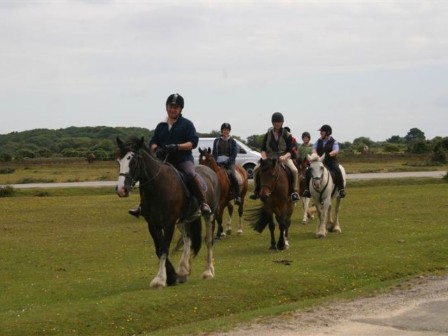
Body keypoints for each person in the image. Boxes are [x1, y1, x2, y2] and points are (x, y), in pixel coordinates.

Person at [128, 93, 211, 217]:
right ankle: (142, 205)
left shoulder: (187, 124)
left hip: (183, 159)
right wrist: (156, 149)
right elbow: (153, 142)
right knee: (147, 176)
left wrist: (177, 146)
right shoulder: (161, 126)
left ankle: (202, 202)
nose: (172, 110)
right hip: (164, 161)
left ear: (180, 109)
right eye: (170, 107)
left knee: (190, 174)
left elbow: (193, 143)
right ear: (166, 107)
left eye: (175, 108)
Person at [249, 112, 300, 202]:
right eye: (275, 122)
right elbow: (263, 148)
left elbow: (290, 150)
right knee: (256, 169)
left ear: (282, 123)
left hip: (283, 157)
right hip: (270, 158)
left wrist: (284, 157)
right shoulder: (268, 133)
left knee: (294, 171)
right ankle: (256, 190)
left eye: (279, 122)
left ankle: (294, 192)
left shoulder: (286, 134)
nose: (277, 123)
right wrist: (264, 157)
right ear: (273, 123)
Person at [302, 124, 346, 198]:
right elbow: (314, 148)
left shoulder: (333, 142)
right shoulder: (318, 141)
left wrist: (329, 154)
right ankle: (307, 190)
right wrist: (315, 155)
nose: (320, 133)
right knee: (308, 171)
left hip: (331, 161)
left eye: (322, 131)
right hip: (319, 161)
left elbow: (336, 150)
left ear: (327, 132)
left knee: (337, 170)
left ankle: (341, 189)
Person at [212, 123, 242, 205]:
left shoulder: (233, 141)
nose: (226, 131)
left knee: (232, 175)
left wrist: (227, 161)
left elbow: (234, 154)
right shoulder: (217, 140)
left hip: (229, 162)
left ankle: (237, 195)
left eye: (227, 130)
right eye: (224, 130)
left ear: (229, 131)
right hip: (218, 162)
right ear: (222, 131)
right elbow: (214, 153)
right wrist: (215, 161)